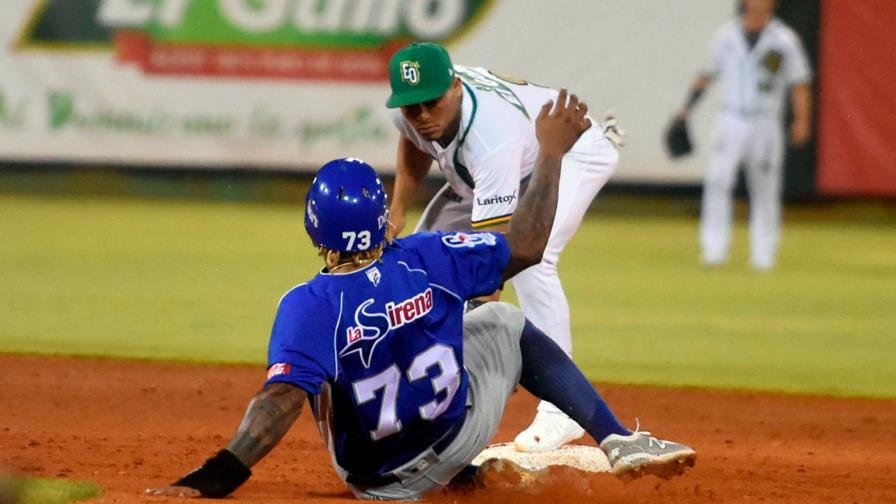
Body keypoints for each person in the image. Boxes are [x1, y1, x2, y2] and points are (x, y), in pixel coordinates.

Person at [147, 90, 695, 501]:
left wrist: (214, 478)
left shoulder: (307, 303)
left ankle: (452, 472)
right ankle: (618, 438)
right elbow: (527, 247)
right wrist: (550, 153)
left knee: (315, 366)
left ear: (315, 231)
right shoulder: (432, 255)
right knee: (499, 324)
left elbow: (278, 404)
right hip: (457, 438)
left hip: (376, 483)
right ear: (382, 216)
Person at [386, 41, 623, 452]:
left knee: (534, 259)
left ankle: (560, 410)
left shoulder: (490, 138)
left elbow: (491, 262)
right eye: (411, 107)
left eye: (431, 103)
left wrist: (478, 344)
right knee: (419, 261)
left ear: (455, 87)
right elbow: (413, 141)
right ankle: (414, 383)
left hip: (568, 152)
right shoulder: (413, 106)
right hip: (493, 173)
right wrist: (398, 211)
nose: (422, 115)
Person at [677, 0, 812, 271]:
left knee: (765, 187)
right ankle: (714, 250)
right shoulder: (726, 36)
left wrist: (802, 119)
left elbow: (799, 82)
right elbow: (707, 74)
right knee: (717, 181)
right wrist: (686, 109)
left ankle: (764, 255)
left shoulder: (784, 40)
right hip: (732, 117)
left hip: (765, 120)